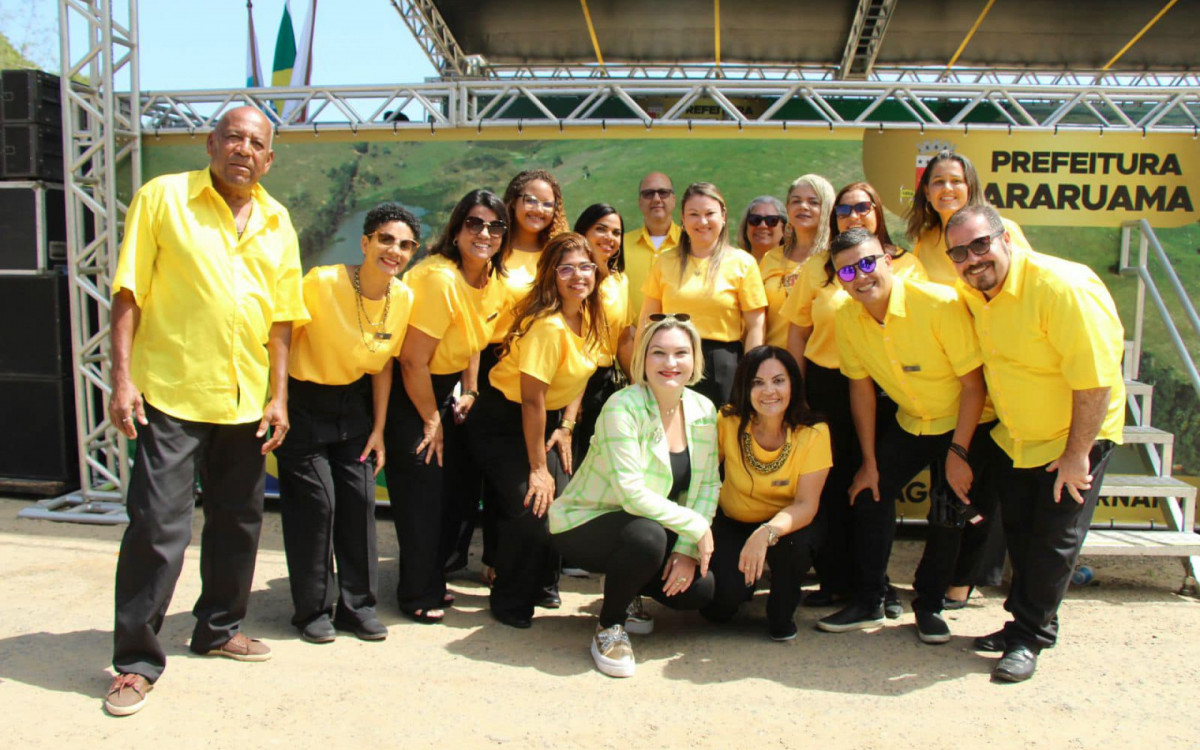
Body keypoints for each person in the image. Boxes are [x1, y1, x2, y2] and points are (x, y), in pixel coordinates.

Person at [103, 106, 306, 717]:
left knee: (238, 523)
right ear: (212, 143)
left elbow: (281, 319)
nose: (244, 149)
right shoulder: (162, 198)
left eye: (257, 143)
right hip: (169, 392)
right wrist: (122, 380)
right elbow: (128, 290)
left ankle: (217, 627)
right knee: (158, 528)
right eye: (234, 137)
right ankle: (136, 662)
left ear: (269, 159)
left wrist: (278, 396)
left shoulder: (277, 219)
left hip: (245, 402)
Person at [946, 204, 1125, 683]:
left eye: (980, 244)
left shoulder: (1062, 287)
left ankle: (1029, 638)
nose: (971, 259)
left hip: (1074, 438)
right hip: (1020, 436)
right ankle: (1028, 621)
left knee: (1053, 543)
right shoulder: (977, 294)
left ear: (1006, 239)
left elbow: (1095, 381)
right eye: (959, 252)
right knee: (1023, 537)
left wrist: (1075, 454)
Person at [814, 228, 997, 645]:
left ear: (888, 260)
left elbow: (974, 386)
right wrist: (870, 462)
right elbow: (860, 390)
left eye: (867, 262)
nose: (860, 276)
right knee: (868, 493)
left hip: (965, 422)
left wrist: (959, 452)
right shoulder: (846, 316)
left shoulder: (939, 304)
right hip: (912, 420)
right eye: (846, 271)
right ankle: (870, 599)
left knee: (950, 508)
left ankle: (929, 606)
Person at [275, 203, 417, 644]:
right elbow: (282, 335)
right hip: (304, 404)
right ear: (366, 242)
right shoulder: (323, 282)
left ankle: (358, 608)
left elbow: (383, 367)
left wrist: (378, 429)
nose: (395, 250)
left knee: (358, 504)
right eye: (386, 240)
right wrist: (276, 400)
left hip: (355, 410)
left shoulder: (403, 297)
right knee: (318, 506)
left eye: (406, 245)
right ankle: (312, 610)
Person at [550, 314, 718, 678]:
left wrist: (687, 548)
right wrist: (695, 526)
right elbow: (631, 494)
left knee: (700, 589)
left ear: (695, 359)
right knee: (646, 537)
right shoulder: (622, 407)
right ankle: (610, 626)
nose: (670, 363)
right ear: (643, 358)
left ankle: (626, 586)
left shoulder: (703, 409)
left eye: (680, 353)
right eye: (658, 353)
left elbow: (707, 485)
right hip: (587, 522)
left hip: (648, 525)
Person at [467, 232, 606, 628]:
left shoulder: (591, 315)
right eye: (566, 269)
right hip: (503, 420)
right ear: (551, 276)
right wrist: (537, 467)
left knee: (557, 505)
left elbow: (582, 375)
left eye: (585, 267)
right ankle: (510, 599)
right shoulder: (548, 327)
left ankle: (542, 585)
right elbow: (531, 400)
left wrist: (566, 426)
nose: (577, 276)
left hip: (547, 418)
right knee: (532, 505)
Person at [385, 189, 510, 623]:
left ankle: (431, 580)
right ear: (456, 229)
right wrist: (431, 418)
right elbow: (411, 360)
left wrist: (470, 389)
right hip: (412, 391)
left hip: (444, 390)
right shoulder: (439, 278)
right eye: (474, 223)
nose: (485, 233)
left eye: (496, 226)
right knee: (421, 494)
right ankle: (416, 593)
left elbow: (476, 335)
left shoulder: (491, 278)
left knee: (445, 495)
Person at [452, 170, 570, 582]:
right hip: (490, 364)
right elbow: (471, 320)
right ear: (514, 202)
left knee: (533, 473)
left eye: (548, 202)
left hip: (542, 370)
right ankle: (492, 559)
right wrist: (470, 385)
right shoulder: (493, 250)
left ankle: (535, 572)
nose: (538, 209)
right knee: (495, 474)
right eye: (530, 200)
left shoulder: (557, 253)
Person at [700, 346, 830, 641]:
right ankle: (742, 586)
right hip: (734, 520)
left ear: (793, 384)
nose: (769, 391)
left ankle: (782, 605)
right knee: (719, 609)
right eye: (758, 382)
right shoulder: (728, 421)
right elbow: (704, 478)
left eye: (778, 381)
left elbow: (807, 506)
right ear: (745, 387)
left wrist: (766, 533)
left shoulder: (814, 432)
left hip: (787, 525)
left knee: (780, 621)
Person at [640, 182, 767, 407]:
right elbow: (647, 321)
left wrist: (751, 375)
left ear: (724, 216)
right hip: (672, 362)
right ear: (683, 218)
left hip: (723, 366)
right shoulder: (665, 261)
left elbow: (756, 326)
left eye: (710, 213)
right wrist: (639, 371)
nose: (703, 221)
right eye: (694, 214)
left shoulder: (742, 263)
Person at [906, 150, 1032, 286]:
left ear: (970, 188)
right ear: (927, 192)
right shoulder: (924, 238)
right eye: (939, 181)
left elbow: (1027, 280)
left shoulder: (1001, 228)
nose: (947, 188)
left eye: (956, 181)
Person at [573, 203, 634, 465]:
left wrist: (637, 383)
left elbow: (624, 337)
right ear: (583, 232)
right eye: (600, 229)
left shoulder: (620, 281)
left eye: (616, 232)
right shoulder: (570, 278)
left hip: (605, 383)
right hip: (571, 382)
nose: (609, 238)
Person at [760, 176, 832, 351]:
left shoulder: (834, 259)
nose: (803, 206)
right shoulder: (771, 258)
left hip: (819, 365)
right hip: (774, 362)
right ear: (787, 208)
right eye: (796, 201)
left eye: (813, 202)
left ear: (828, 208)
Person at [625, 171, 681, 315]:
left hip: (682, 335)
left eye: (663, 193)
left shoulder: (691, 242)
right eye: (648, 194)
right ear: (640, 202)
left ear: (674, 200)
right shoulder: (620, 245)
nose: (656, 199)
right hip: (631, 336)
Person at [737, 195, 786, 262]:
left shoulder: (795, 268)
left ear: (783, 228)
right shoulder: (733, 267)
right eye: (755, 219)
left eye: (771, 220)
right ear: (746, 227)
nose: (763, 225)